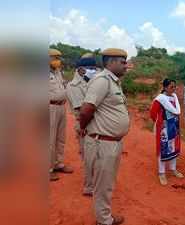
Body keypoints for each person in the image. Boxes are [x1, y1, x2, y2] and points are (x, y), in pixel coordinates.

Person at [79, 48, 130, 225]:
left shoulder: (114, 82)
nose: (126, 65)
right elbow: (86, 110)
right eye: (122, 62)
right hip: (102, 142)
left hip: (112, 142)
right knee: (103, 184)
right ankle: (103, 220)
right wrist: (83, 129)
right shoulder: (101, 80)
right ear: (110, 62)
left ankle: (104, 216)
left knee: (107, 182)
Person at [66, 55, 99, 196]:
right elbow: (82, 111)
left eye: (95, 68)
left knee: (98, 156)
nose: (94, 71)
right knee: (89, 158)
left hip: (97, 124)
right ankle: (89, 187)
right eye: (90, 68)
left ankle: (97, 183)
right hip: (85, 125)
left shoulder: (92, 82)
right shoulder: (73, 86)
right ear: (80, 70)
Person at [150, 79, 185, 186]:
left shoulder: (174, 97)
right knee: (163, 149)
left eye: (175, 87)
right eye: (171, 87)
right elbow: (152, 113)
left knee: (174, 147)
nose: (173, 89)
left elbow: (177, 112)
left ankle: (173, 169)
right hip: (164, 129)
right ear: (165, 88)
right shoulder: (160, 99)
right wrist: (161, 123)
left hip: (174, 126)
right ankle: (161, 173)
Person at [49, 48, 74, 182]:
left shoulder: (58, 72)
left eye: (58, 58)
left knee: (60, 137)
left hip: (61, 106)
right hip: (49, 107)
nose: (57, 61)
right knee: (49, 139)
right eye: (54, 58)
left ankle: (58, 163)